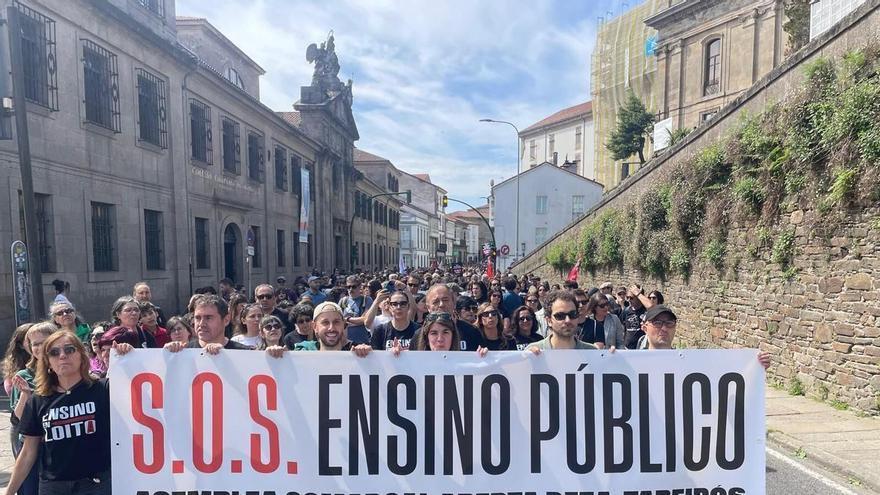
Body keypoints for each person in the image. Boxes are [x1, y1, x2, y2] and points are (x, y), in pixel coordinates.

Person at [6, 330, 111, 495]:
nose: (62, 355)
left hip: (96, 484)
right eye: (54, 353)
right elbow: (27, 452)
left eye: (69, 349)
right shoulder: (38, 400)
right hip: (53, 486)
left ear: (81, 355)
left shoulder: (103, 389)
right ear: (48, 362)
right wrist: (9, 492)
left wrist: (165, 352)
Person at [633, 305, 772, 370]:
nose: (664, 328)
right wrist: (612, 360)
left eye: (669, 323)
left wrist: (755, 367)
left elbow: (724, 382)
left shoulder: (691, 363)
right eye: (657, 323)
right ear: (644, 327)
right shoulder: (631, 365)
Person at [7, 323, 51, 495]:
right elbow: (16, 419)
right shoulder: (23, 375)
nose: (40, 347)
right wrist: (26, 394)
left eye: (44, 342)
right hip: (32, 444)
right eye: (35, 344)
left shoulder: (65, 370)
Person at [165, 294, 251, 353]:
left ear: (226, 320)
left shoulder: (244, 354)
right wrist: (167, 356)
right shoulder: (182, 353)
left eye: (208, 318)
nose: (202, 324)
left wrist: (224, 355)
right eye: (198, 318)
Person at [411, 284, 484, 351]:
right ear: (428, 307)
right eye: (435, 302)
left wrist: (484, 355)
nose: (441, 304)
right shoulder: (419, 336)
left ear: (454, 303)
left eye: (445, 300)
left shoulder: (472, 331)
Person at [527, 290, 598, 352]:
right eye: (560, 316)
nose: (568, 320)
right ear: (548, 320)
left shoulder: (592, 352)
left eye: (572, 314)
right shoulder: (533, 352)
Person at [291, 302, 371, 356]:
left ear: (343, 325)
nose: (331, 328)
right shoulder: (304, 351)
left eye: (336, 322)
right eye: (325, 322)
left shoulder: (355, 353)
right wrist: (279, 354)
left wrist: (368, 356)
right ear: (315, 327)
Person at [339, 276, 373, 345]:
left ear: (360, 286)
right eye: (348, 287)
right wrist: (356, 321)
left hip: (362, 341)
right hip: (346, 342)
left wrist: (347, 319)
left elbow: (365, 319)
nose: (351, 289)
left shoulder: (366, 300)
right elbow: (339, 320)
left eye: (353, 287)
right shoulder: (343, 301)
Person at [621, 284, 653, 349]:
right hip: (627, 348)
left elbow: (652, 307)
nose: (629, 300)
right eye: (627, 297)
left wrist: (638, 294)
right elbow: (621, 328)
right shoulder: (626, 310)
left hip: (642, 348)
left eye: (632, 298)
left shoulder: (646, 311)